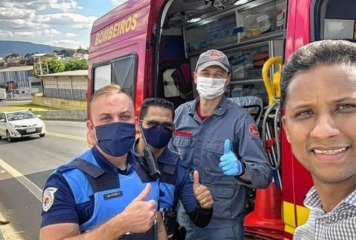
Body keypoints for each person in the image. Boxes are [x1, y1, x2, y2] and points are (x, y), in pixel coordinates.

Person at [280, 40, 356, 239]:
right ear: (287, 130)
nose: (323, 131)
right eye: (305, 112)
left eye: (346, 107)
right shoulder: (309, 226)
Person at [169, 49, 272, 240]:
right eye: (206, 74)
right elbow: (168, 162)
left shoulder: (240, 120)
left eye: (218, 75)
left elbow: (264, 176)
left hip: (223, 225)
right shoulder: (181, 114)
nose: (211, 79)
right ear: (195, 76)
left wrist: (242, 169)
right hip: (185, 217)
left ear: (228, 79)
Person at [40, 84, 166, 240]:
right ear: (91, 127)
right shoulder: (67, 181)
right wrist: (120, 225)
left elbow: (158, 227)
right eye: (106, 118)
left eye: (124, 116)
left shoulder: (148, 168)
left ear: (134, 123)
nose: (117, 124)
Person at [132, 98, 214, 239]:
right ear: (138, 125)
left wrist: (205, 205)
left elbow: (200, 220)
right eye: (152, 123)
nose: (160, 129)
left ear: (174, 129)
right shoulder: (120, 160)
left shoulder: (180, 169)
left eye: (167, 125)